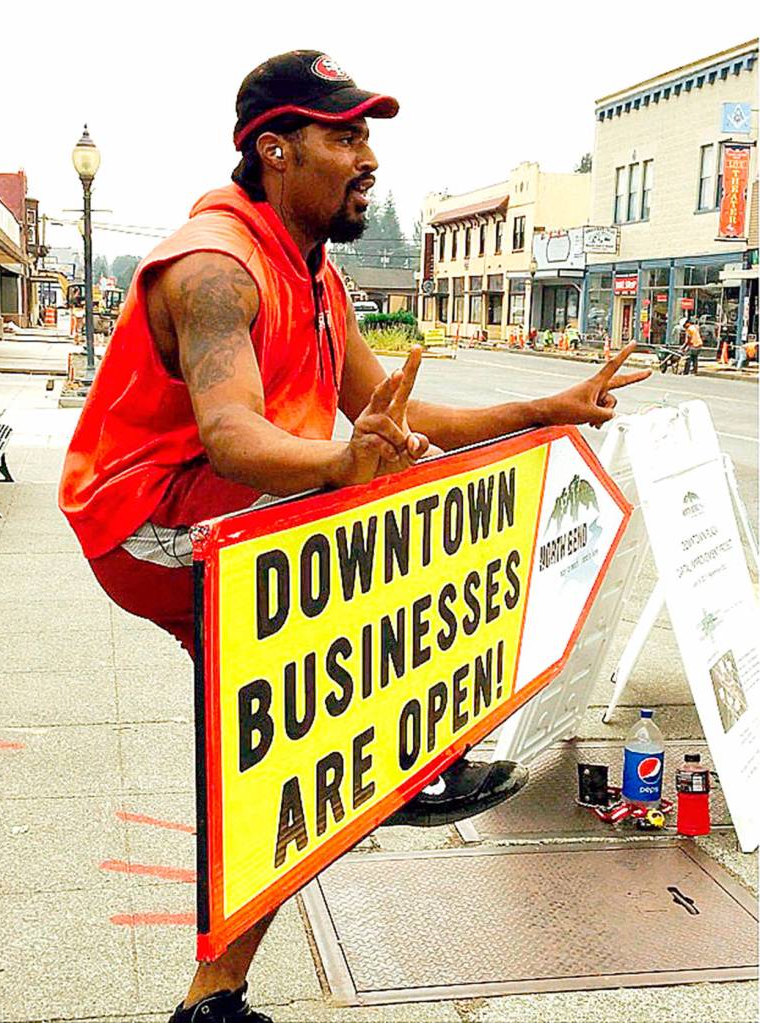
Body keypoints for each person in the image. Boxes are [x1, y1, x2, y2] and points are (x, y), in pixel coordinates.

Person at [58, 50, 651, 1023]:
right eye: (343, 137)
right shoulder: (215, 266)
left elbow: (395, 416)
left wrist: (548, 407)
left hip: (226, 500)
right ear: (275, 149)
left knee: (306, 736)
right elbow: (232, 433)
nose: (367, 157)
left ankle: (217, 995)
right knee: (365, 558)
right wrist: (342, 465)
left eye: (367, 136)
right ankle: (403, 750)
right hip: (146, 518)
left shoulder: (315, 274)